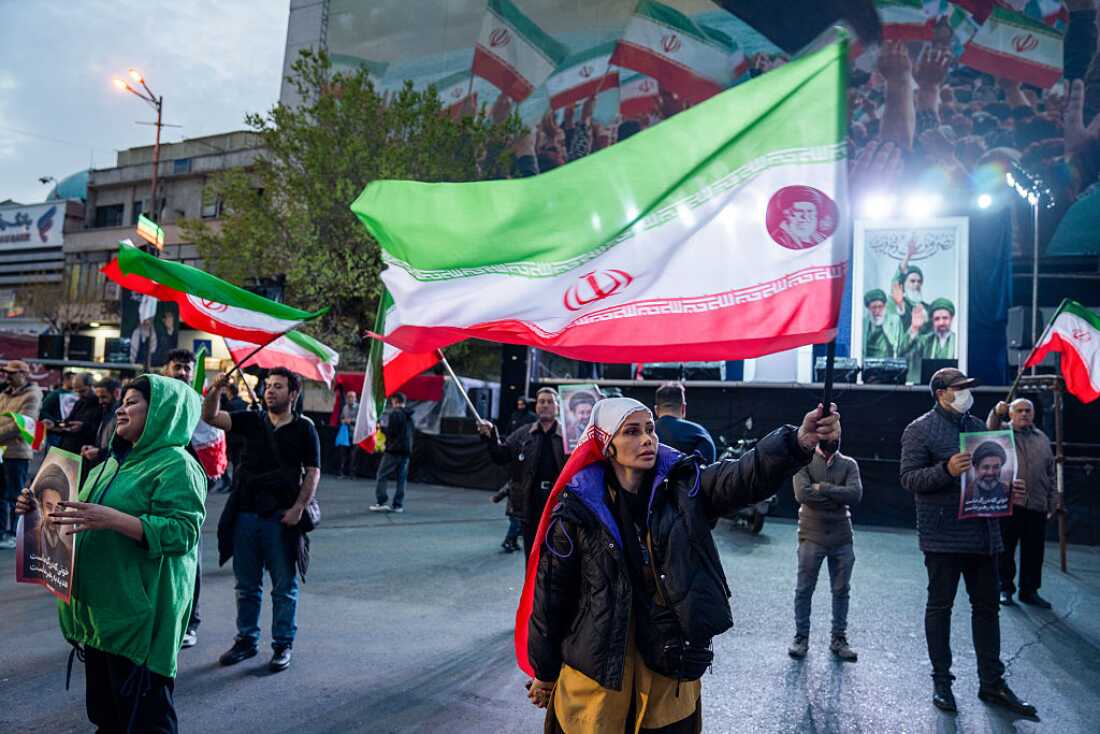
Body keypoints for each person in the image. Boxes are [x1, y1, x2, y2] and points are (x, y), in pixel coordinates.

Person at [520, 397, 840, 731]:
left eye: (649, 429)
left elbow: (743, 476)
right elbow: (551, 599)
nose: (647, 439)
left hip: (667, 674)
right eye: (631, 432)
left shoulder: (685, 487)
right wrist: (544, 673)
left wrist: (798, 441)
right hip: (598, 676)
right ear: (607, 445)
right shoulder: (576, 512)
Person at [16, 374, 206, 732]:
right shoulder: (107, 465)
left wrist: (117, 520)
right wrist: (36, 509)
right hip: (100, 618)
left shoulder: (177, 465)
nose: (121, 408)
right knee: (107, 718)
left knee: (147, 723)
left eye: (133, 402)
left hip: (139, 620)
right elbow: (73, 520)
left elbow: (183, 532)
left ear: (164, 412)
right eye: (123, 401)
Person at [899, 367, 1036, 716]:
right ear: (940, 392)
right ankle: (942, 682)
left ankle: (992, 683)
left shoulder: (976, 427)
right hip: (942, 537)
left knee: (987, 611)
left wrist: (1009, 488)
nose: (966, 393)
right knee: (940, 608)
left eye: (967, 388)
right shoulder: (918, 430)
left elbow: (989, 475)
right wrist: (945, 470)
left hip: (983, 535)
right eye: (959, 388)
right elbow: (909, 479)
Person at [204, 367, 320, 672]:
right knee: (246, 586)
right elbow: (212, 418)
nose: (270, 391)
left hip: (281, 520)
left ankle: (282, 645)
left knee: (284, 587)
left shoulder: (305, 428)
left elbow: (313, 471)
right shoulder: (251, 420)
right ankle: (246, 641)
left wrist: (297, 508)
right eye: (267, 386)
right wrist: (215, 390)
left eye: (278, 386)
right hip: (244, 515)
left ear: (293, 394)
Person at [164, 348, 225, 649]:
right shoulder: (156, 399)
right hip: (155, 491)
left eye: (187, 368)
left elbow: (211, 436)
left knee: (190, 558)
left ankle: (190, 622)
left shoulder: (198, 404)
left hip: (188, 495)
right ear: (166, 369)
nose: (184, 373)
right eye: (178, 367)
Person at [789, 438, 862, 662]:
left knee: (841, 590)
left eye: (837, 433)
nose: (834, 437)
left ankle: (838, 639)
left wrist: (823, 488)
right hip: (812, 535)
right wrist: (837, 496)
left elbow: (855, 495)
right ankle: (801, 638)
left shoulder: (849, 464)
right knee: (804, 589)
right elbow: (802, 494)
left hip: (842, 537)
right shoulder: (804, 462)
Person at [478, 387, 566, 560]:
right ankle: (532, 588)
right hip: (530, 505)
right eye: (541, 401)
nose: (545, 405)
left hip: (559, 507)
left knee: (558, 560)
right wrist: (490, 436)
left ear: (557, 407)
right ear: (536, 406)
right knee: (532, 557)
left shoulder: (569, 436)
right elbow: (501, 456)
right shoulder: (523, 433)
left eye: (550, 401)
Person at [988, 398, 1057, 609]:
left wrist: (1053, 501)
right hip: (1009, 502)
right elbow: (988, 428)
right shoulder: (1001, 433)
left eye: (1028, 410)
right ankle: (1005, 588)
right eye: (1019, 410)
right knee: (1005, 549)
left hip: (1037, 504)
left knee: (1034, 551)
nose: (1024, 414)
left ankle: (1030, 591)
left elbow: (1051, 472)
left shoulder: (1042, 439)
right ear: (1010, 413)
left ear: (1033, 414)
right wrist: (995, 411)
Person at [0, 360, 42, 550]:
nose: (7, 376)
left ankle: (15, 534)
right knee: (2, 495)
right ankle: (2, 532)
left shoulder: (33, 394)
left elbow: (22, 424)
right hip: (2, 451)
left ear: (24, 374)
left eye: (11, 373)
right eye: (6, 372)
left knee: (16, 496)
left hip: (17, 453)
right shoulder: (4, 393)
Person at [369, 392, 414, 512]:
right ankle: (398, 505)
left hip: (394, 450)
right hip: (406, 451)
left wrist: (382, 430)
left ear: (395, 401)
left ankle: (381, 501)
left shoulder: (395, 414)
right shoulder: (410, 415)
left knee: (382, 474)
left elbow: (392, 432)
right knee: (401, 479)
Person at [652, 382, 716, 464]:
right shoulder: (700, 434)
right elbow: (709, 471)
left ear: (656, 410)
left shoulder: (645, 433)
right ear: (683, 408)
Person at [56, 373, 103, 457]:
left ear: (92, 386)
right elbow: (69, 420)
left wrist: (83, 427)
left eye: (82, 391)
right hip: (69, 449)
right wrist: (58, 424)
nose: (80, 394)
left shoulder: (101, 404)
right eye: (77, 392)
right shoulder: (80, 402)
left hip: (85, 452)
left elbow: (100, 429)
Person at [80, 378, 122, 469]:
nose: (100, 401)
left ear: (116, 393)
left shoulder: (123, 417)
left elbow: (123, 448)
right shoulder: (106, 412)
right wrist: (93, 449)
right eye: (98, 397)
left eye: (103, 397)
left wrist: (99, 453)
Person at [862, 288, 903, 359]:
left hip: (889, 364)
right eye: (874, 307)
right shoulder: (864, 323)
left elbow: (900, 346)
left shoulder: (895, 320)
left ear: (884, 306)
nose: (877, 311)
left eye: (880, 307)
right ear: (868, 308)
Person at [336, 390, 359, 478]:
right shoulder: (344, 407)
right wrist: (343, 421)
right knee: (343, 454)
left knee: (354, 455)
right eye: (348, 397)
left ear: (355, 398)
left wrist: (350, 421)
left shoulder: (359, 407)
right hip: (345, 434)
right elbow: (341, 417)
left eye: (352, 397)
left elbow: (360, 420)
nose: (350, 398)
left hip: (355, 434)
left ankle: (352, 473)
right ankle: (342, 473)